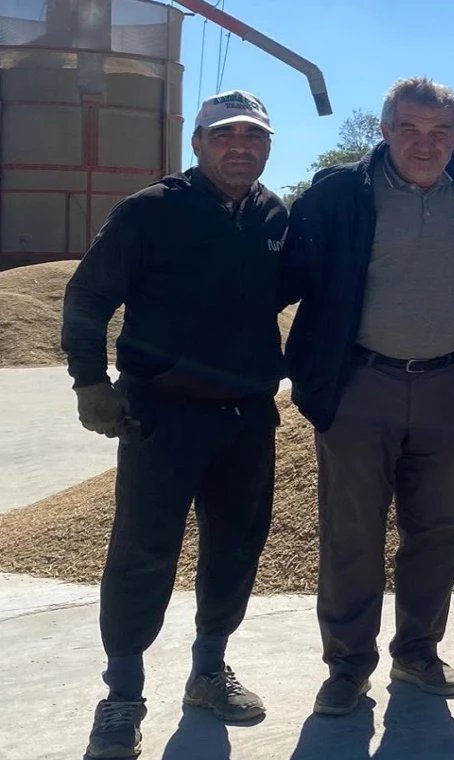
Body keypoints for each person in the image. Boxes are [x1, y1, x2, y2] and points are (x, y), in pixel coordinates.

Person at [61, 90, 286, 758]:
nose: (240, 147)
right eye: (225, 135)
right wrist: (89, 382)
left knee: (236, 546)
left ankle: (208, 672)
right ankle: (122, 696)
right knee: (143, 551)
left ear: (267, 146)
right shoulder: (150, 211)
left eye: (253, 136)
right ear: (198, 143)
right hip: (161, 413)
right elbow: (88, 295)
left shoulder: (274, 215)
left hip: (247, 415)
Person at [281, 78, 454, 714]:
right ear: (384, 131)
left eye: (439, 132)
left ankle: (417, 653)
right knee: (352, 531)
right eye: (408, 128)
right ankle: (347, 666)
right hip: (359, 383)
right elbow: (282, 279)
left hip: (447, 385)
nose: (423, 143)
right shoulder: (339, 193)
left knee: (439, 526)